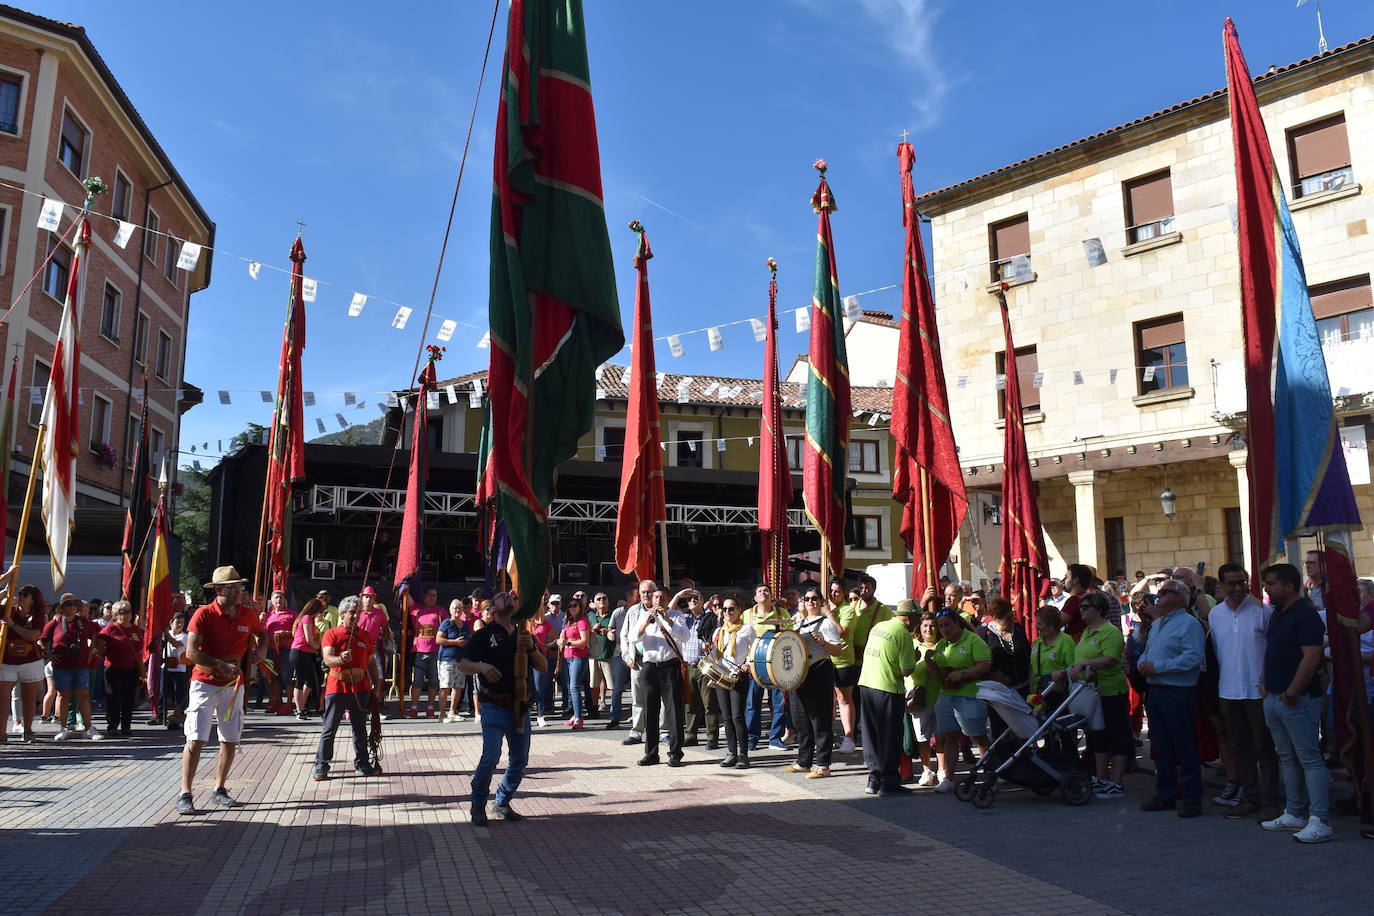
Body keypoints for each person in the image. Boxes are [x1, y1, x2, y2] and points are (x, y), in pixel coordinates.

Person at [177, 567, 267, 815]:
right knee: (196, 738)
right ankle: (186, 792)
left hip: (234, 687)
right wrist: (219, 664)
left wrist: (261, 651)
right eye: (233, 587)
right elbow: (192, 652)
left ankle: (220, 788)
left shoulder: (248, 615)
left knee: (230, 739)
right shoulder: (203, 614)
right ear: (218, 590)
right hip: (204, 683)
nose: (240, 592)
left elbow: (263, 634)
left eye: (240, 587)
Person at [459, 590, 547, 825]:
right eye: (502, 597)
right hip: (493, 704)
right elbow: (463, 664)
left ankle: (502, 802)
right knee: (491, 755)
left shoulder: (523, 634)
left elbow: (543, 667)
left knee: (519, 759)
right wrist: (481, 666)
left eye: (513, 599)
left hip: (520, 706)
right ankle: (478, 804)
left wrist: (531, 648)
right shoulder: (484, 634)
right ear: (493, 608)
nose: (509, 599)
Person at [1258, 562, 1331, 843]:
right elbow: (1272, 652)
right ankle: (1294, 812)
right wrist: (1265, 682)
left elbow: (1312, 657)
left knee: (1309, 758)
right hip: (1274, 696)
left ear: (1289, 585)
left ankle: (1320, 819)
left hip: (1298, 699)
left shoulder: (1306, 615)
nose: (1267, 589)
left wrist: (1291, 692)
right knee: (1287, 758)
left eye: (1272, 584)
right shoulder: (1277, 614)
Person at [1209, 562, 1279, 821]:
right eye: (1232, 583)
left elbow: (1274, 651)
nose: (1239, 588)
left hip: (1258, 691)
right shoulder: (1215, 615)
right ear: (1222, 586)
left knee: (1265, 749)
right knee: (1241, 747)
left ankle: (1271, 801)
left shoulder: (1264, 611)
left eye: (1243, 582)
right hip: (1228, 691)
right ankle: (1251, 798)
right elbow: (1219, 651)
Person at [1137, 577, 1206, 818]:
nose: (1159, 597)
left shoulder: (1189, 624)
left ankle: (1192, 798)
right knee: (1162, 746)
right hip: (1156, 691)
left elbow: (1192, 658)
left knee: (1184, 746)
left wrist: (1159, 666)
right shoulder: (1157, 624)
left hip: (1178, 692)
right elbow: (1146, 651)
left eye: (1165, 593)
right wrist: (1143, 664)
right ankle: (1165, 794)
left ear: (1178, 597)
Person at [1061, 592, 1132, 800]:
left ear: (1098, 610)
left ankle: (1117, 783)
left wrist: (1085, 664)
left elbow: (1111, 659)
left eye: (1085, 607)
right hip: (1090, 692)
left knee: (1116, 735)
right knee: (1097, 735)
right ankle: (1102, 777)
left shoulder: (1110, 632)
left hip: (1110, 690)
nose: (1080, 610)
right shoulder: (1086, 631)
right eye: (1080, 607)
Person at [312, 596, 384, 781]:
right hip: (337, 686)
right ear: (343, 614)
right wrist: (341, 659)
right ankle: (321, 765)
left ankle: (362, 764)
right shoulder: (332, 634)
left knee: (360, 728)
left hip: (361, 687)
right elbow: (328, 659)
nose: (356, 616)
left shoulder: (365, 635)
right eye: (352, 613)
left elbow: (370, 662)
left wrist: (377, 683)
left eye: (358, 612)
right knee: (330, 728)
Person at [858, 598, 919, 796]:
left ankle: (873, 779)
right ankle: (889, 782)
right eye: (917, 617)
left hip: (867, 684)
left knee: (871, 735)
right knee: (890, 736)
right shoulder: (903, 633)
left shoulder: (880, 626)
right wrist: (916, 659)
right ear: (909, 618)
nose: (918, 621)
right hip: (888, 688)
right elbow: (906, 670)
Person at [926, 609, 991, 792]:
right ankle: (948, 778)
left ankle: (989, 771)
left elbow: (985, 665)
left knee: (978, 736)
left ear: (957, 623)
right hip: (946, 695)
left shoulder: (973, 640)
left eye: (948, 625)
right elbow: (939, 670)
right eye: (941, 626)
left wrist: (963, 674)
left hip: (969, 695)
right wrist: (930, 664)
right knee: (950, 736)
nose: (944, 629)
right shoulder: (941, 644)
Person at [788, 586, 843, 778]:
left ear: (821, 602)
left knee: (819, 720)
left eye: (814, 599)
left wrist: (822, 643)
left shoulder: (827, 624)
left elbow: (838, 651)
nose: (810, 602)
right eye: (807, 599)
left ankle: (823, 765)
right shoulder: (798, 623)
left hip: (819, 671)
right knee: (800, 719)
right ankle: (804, 761)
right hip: (800, 673)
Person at [834, 574, 892, 754]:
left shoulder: (883, 610)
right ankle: (853, 736)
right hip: (853, 659)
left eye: (868, 587)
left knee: (866, 699)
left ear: (874, 589)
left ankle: (867, 733)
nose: (864, 591)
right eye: (862, 587)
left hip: (872, 660)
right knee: (853, 699)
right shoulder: (852, 607)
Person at [635, 587, 690, 766]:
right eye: (655, 597)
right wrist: (645, 624)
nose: (658, 600)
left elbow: (685, 637)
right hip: (650, 667)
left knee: (673, 711)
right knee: (650, 711)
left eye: (662, 597)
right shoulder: (644, 615)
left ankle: (675, 753)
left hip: (669, 667)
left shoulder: (676, 615)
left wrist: (667, 620)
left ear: (667, 600)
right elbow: (633, 638)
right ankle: (651, 753)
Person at [39, 593, 105, 741]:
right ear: (62, 607)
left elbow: (94, 635)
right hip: (62, 667)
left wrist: (90, 652)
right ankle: (64, 728)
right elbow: (41, 640)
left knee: (83, 696)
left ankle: (88, 728)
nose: (72, 608)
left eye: (75, 605)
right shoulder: (55, 623)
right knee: (63, 696)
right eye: (69, 605)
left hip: (81, 666)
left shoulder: (82, 621)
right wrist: (48, 654)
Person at [711, 597, 756, 768]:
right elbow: (716, 655)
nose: (727, 612)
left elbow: (755, 650)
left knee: (738, 716)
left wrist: (748, 664)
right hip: (722, 676)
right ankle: (731, 753)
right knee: (727, 717)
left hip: (739, 676)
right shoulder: (719, 632)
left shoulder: (747, 629)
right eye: (724, 609)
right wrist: (709, 651)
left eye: (731, 609)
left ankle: (743, 754)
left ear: (739, 610)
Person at [673, 589, 720, 749]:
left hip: (705, 665)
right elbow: (670, 611)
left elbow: (717, 638)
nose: (692, 600)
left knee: (709, 704)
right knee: (690, 703)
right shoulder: (685, 618)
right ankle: (691, 735)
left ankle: (712, 737)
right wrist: (679, 595)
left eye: (696, 598)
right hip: (688, 666)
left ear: (702, 600)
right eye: (690, 598)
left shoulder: (710, 618)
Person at [0, 584, 48, 743]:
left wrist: (13, 625)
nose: (21, 596)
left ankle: (27, 730)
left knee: (28, 696)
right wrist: (5, 592)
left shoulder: (39, 615)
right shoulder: (9, 610)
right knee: (3, 697)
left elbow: (34, 636)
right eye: (20, 593)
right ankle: (1, 733)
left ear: (33, 600)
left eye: (25, 595)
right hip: (7, 660)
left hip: (30, 660)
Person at [979, 598, 1029, 735]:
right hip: (999, 693)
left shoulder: (1017, 629)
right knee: (1001, 731)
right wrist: (994, 675)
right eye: (1007, 618)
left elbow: (1027, 654)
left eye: (1011, 616)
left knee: (1023, 730)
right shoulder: (983, 634)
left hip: (1022, 689)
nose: (1011, 620)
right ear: (995, 618)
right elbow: (979, 663)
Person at [619, 580, 656, 746]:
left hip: (658, 662)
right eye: (643, 592)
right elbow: (624, 635)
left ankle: (663, 732)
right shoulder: (633, 611)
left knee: (660, 699)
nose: (646, 595)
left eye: (649, 592)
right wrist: (627, 657)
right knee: (638, 699)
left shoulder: (661, 610)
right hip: (638, 662)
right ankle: (636, 732)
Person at [99, 600, 144, 737]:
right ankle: (112, 726)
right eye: (123, 612)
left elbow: (140, 649)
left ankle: (126, 726)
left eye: (129, 611)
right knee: (113, 698)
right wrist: (106, 659)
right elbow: (97, 647)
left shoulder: (136, 629)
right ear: (116, 614)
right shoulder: (110, 628)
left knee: (129, 698)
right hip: (113, 670)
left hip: (131, 669)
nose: (127, 615)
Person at [907, 611, 942, 786]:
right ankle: (927, 770)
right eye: (925, 626)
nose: (929, 629)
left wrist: (930, 663)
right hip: (919, 700)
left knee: (941, 736)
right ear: (919, 629)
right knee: (922, 738)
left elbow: (944, 675)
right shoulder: (913, 645)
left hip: (940, 698)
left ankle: (943, 771)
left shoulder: (943, 645)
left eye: (932, 625)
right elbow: (905, 670)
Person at [406, 586, 444, 718]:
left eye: (434, 595)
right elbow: (406, 596)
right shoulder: (416, 609)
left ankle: (430, 708)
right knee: (417, 681)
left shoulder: (440, 611)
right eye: (430, 595)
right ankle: (414, 708)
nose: (432, 597)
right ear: (424, 595)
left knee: (434, 681)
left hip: (436, 652)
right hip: (419, 651)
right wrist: (404, 584)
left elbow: (448, 629)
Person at [556, 595, 590, 728]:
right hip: (568, 657)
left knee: (574, 687)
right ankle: (576, 715)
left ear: (580, 607)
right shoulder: (569, 622)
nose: (572, 608)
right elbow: (561, 637)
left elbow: (584, 641)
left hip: (579, 657)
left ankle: (579, 718)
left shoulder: (582, 621)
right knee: (571, 686)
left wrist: (568, 642)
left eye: (575, 605)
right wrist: (561, 641)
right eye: (570, 606)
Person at [261, 590, 297, 715]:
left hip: (286, 649)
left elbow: (298, 633)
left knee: (287, 678)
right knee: (272, 678)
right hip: (270, 649)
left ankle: (288, 705)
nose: (278, 600)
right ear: (272, 600)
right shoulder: (267, 615)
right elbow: (261, 632)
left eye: (281, 597)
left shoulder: (292, 615)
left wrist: (286, 633)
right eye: (276, 597)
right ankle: (277, 702)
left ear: (285, 600)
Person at [1029, 604, 1075, 696]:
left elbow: (1073, 669)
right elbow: (1031, 668)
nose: (1036, 627)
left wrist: (1060, 674)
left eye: (1039, 623)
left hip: (1059, 696)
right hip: (1039, 695)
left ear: (1051, 626)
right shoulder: (1037, 642)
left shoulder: (1066, 641)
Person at [291, 597, 324, 719]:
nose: (320, 614)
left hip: (304, 652)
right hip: (300, 651)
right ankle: (299, 710)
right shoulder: (307, 618)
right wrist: (318, 646)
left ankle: (302, 706)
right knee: (300, 680)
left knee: (309, 680)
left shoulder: (306, 619)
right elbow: (308, 639)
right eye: (320, 610)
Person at [437, 599, 469, 722]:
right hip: (446, 659)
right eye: (455, 608)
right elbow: (438, 639)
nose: (457, 610)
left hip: (461, 659)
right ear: (450, 610)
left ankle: (452, 711)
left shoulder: (465, 625)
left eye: (459, 608)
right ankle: (441, 714)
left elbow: (468, 638)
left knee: (458, 686)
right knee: (445, 686)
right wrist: (455, 642)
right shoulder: (446, 624)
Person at [528, 602, 558, 728]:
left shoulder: (545, 624)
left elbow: (555, 637)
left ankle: (540, 715)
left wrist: (548, 647)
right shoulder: (525, 623)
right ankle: (527, 715)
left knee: (539, 687)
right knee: (526, 686)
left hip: (539, 656)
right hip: (525, 657)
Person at [587, 592, 616, 719]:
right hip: (593, 656)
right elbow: (585, 633)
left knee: (613, 686)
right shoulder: (591, 617)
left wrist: (608, 631)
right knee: (594, 685)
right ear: (594, 603)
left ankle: (615, 711)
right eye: (599, 599)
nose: (602, 600)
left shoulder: (613, 616)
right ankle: (594, 710)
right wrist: (593, 629)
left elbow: (619, 632)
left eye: (605, 598)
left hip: (609, 655)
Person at [162, 612, 190, 731]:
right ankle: (162, 715)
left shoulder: (184, 636)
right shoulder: (166, 635)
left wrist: (166, 634)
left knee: (179, 695)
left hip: (179, 669)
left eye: (182, 623)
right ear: (171, 623)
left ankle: (180, 718)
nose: (179, 625)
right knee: (165, 692)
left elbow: (176, 644)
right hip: (166, 667)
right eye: (177, 622)